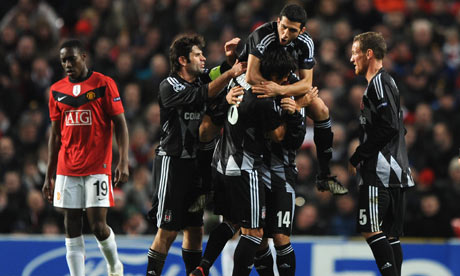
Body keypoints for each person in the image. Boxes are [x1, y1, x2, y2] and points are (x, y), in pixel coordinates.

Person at [190, 45, 313, 276]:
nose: (287, 81)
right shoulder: (265, 98)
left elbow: (211, 94)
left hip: (222, 162)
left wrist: (228, 65)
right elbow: (279, 136)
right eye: (284, 77)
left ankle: (203, 267)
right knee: (254, 233)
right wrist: (296, 110)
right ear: (274, 76)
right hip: (247, 167)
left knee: (234, 222)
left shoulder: (238, 79)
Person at [145, 34, 245, 276]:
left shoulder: (202, 78)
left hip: (198, 164)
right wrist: (230, 75)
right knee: (168, 230)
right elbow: (203, 94)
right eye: (198, 55)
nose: (203, 58)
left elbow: (216, 73)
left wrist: (230, 61)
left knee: (194, 228)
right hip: (174, 161)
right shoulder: (170, 85)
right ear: (182, 60)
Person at [238, 3, 347, 195]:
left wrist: (280, 90)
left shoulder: (306, 42)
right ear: (278, 21)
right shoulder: (262, 34)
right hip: (251, 74)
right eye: (283, 26)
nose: (285, 34)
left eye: (292, 30)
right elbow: (250, 76)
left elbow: (306, 84)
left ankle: (323, 174)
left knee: (321, 110)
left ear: (302, 30)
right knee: (259, 103)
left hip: (280, 79)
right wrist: (280, 91)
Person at [42, 39, 129, 276]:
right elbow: (55, 136)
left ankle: (114, 265)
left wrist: (122, 160)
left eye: (71, 58)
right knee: (71, 226)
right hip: (67, 167)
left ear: (83, 56)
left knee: (98, 226)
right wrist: (49, 175)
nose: (67, 64)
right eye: (63, 60)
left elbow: (120, 124)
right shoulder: (57, 90)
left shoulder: (103, 84)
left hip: (97, 166)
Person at [348, 32, 415, 276]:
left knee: (370, 228)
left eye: (355, 52)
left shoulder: (378, 83)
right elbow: (399, 126)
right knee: (389, 234)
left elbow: (389, 126)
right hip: (396, 169)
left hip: (380, 171)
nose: (351, 58)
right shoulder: (388, 82)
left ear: (369, 54)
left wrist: (359, 155)